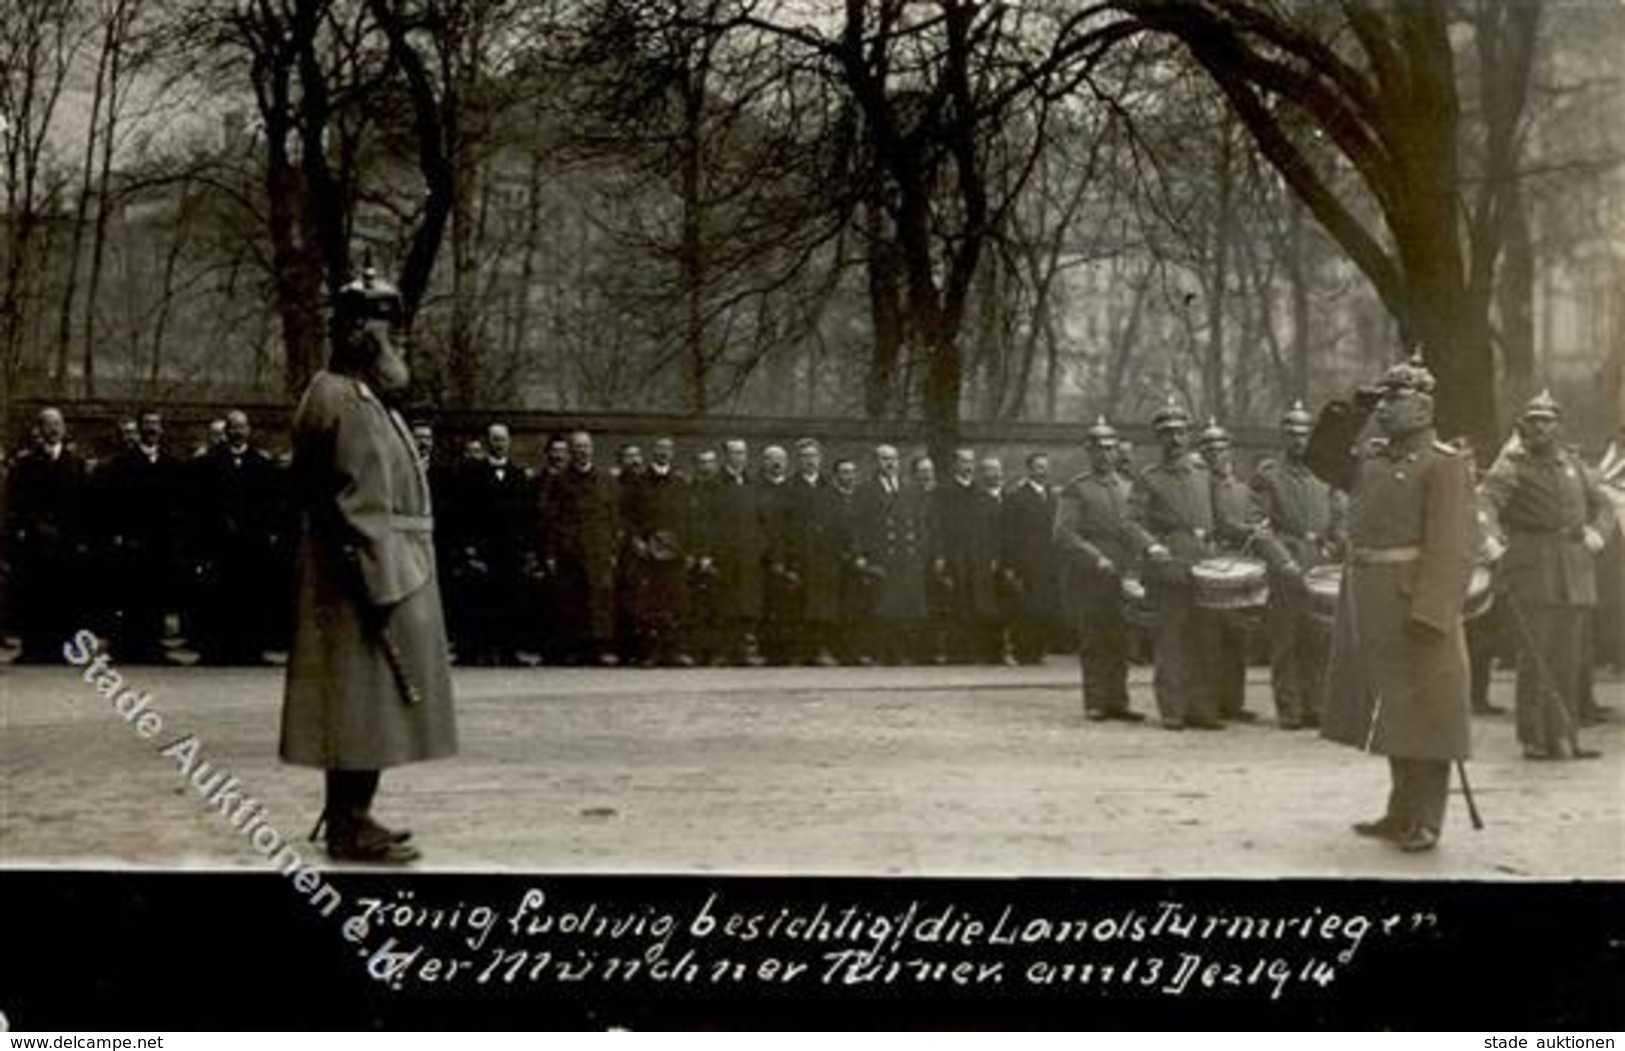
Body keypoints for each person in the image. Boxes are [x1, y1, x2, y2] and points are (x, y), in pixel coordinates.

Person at [280, 268, 456, 864]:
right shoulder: (347, 401)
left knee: (363, 702)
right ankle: (350, 824)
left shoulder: (349, 394)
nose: (394, 341)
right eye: (385, 327)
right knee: (362, 701)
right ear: (358, 332)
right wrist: (383, 586)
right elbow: (359, 505)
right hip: (368, 571)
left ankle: (350, 814)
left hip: (367, 565)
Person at [1308, 355, 1479, 853]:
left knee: (1429, 713)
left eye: (1393, 400)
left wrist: (1433, 610)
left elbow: (1454, 544)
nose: (1384, 408)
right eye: (1381, 400)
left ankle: (1427, 819)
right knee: (1393, 712)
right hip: (1371, 602)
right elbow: (1320, 458)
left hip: (1414, 605)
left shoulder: (1444, 465)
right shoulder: (1374, 459)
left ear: (1423, 408)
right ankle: (1400, 809)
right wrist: (1352, 410)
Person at [1478, 390, 1613, 760]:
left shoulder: (1573, 464)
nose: (1539, 427)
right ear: (1523, 425)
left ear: (1558, 426)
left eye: (1546, 420)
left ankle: (1566, 736)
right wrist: (1491, 543)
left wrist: (1598, 533)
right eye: (1533, 420)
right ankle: (1535, 737)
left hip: (1575, 572)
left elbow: (1603, 503)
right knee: (1535, 659)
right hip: (1533, 570)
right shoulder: (1512, 467)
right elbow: (1484, 503)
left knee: (1571, 661)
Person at [1251, 401, 1345, 729]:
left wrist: (1334, 545)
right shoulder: (1269, 476)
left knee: (1319, 638)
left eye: (1304, 434)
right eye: (1292, 434)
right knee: (1286, 640)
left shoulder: (1326, 475)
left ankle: (1315, 706)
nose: (1299, 440)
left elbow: (1341, 516)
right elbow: (1259, 527)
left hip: (1319, 561)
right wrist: (1282, 560)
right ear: (1283, 437)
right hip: (1287, 561)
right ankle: (1289, 710)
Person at [1128, 398, 1221, 730]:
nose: (1176, 439)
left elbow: (1219, 517)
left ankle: (1202, 707)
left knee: (1205, 638)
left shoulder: (1203, 473)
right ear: (1159, 438)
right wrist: (1152, 546)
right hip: (1169, 567)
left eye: (1181, 432)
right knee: (1171, 640)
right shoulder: (1148, 478)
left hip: (1204, 565)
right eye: (1168, 433)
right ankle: (1172, 709)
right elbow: (1131, 522)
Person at [1054, 418, 1141, 721]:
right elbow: (1064, 533)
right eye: (1099, 449)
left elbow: (1137, 530)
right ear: (1088, 452)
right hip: (1091, 574)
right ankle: (1095, 701)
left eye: (1110, 448)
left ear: (1117, 451)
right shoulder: (1077, 488)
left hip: (1124, 571)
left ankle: (1119, 701)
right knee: (1094, 638)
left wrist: (1136, 566)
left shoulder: (1129, 487)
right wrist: (1095, 557)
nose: (1105, 454)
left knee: (1121, 638)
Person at [192, 410, 283, 664]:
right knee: (220, 597)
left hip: (251, 544)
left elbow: (271, 504)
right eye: (233, 428)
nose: (237, 432)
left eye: (242, 428)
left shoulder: (262, 465)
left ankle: (251, 650)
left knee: (251, 596)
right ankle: (217, 650)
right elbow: (200, 505)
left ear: (249, 431)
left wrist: (265, 532)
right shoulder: (209, 463)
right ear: (227, 431)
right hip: (220, 543)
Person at [97, 410, 182, 663]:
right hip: (133, 541)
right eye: (147, 424)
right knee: (131, 596)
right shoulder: (122, 463)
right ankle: (127, 648)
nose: (152, 429)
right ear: (140, 428)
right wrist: (118, 534)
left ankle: (154, 648)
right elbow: (112, 504)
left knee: (156, 596)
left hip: (160, 542)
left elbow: (178, 506)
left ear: (162, 429)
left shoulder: (171, 464)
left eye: (156, 424)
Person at [6, 408, 89, 663]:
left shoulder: (76, 463)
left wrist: (79, 536)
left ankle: (65, 647)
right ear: (40, 429)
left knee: (65, 595)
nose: (53, 429)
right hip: (37, 540)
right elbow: (17, 502)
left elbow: (85, 503)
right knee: (36, 594)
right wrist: (32, 527)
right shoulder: (26, 464)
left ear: (64, 428)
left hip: (67, 539)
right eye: (48, 424)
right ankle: (35, 647)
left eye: (58, 424)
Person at [1197, 419, 1258, 723]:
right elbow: (1222, 522)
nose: (1216, 455)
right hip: (1210, 562)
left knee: (1237, 636)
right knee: (1209, 638)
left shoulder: (1244, 488)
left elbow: (1252, 515)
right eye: (1209, 449)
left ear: (1230, 451)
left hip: (1240, 562)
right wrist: (1250, 529)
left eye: (1221, 448)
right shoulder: (1197, 486)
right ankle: (1209, 704)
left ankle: (1233, 701)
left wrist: (1256, 528)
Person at [462, 423, 537, 666]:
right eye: (494, 439)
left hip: (511, 549)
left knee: (511, 598)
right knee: (483, 599)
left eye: (503, 439)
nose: (499, 443)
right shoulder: (472, 475)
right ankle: (483, 650)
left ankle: (509, 651)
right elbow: (465, 513)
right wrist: (470, 547)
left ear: (509, 442)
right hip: (485, 548)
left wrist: (526, 548)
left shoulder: (518, 475)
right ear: (487, 443)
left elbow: (527, 515)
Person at [1001, 452, 1061, 665]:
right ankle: (1023, 650)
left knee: (1045, 606)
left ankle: (1039, 649)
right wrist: (1009, 564)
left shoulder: (1053, 497)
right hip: (1026, 562)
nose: (1043, 471)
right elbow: (1008, 532)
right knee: (1026, 608)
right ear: (1029, 470)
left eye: (1045, 467)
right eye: (1038, 467)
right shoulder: (1017, 497)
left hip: (1049, 562)